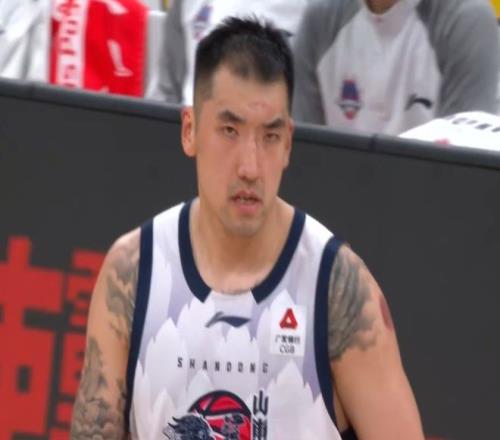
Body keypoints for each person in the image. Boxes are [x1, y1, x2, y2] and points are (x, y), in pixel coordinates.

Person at [71, 17, 425, 439]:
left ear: (289, 143)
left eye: (269, 137)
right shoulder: (132, 272)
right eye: (230, 130)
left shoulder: (339, 289)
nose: (250, 167)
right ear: (190, 131)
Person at [293, 0, 500, 135]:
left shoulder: (466, 20)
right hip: (333, 185)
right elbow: (304, 149)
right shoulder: (319, 18)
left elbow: (464, 163)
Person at [146, 0, 311, 104]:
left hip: (265, 138)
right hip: (194, 136)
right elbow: (165, 93)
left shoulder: (313, 9)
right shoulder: (185, 4)